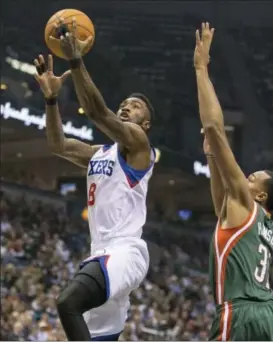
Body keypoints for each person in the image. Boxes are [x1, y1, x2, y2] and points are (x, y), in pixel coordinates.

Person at [34, 21, 155, 341]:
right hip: (100, 252)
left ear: (146, 122)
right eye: (124, 104)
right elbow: (57, 145)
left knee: (67, 303)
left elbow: (98, 113)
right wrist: (51, 101)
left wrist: (76, 62)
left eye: (135, 106)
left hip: (125, 252)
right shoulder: (98, 153)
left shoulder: (140, 147)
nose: (126, 106)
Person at [194, 22, 273, 341]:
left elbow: (214, 127)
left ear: (260, 196)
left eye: (252, 178)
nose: (245, 177)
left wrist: (201, 68)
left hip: (241, 311)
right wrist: (212, 158)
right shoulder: (263, 225)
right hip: (270, 313)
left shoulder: (245, 202)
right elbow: (220, 205)